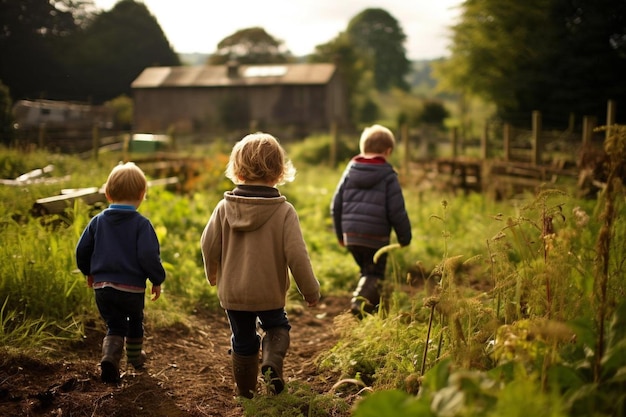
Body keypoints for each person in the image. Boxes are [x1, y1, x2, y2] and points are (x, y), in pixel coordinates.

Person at [201, 132, 320, 399]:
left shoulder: (223, 208)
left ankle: (246, 393)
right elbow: (297, 255)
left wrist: (213, 274)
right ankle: (272, 362)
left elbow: (208, 244)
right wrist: (310, 290)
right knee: (277, 328)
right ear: (278, 173)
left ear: (238, 171)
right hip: (269, 293)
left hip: (234, 293)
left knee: (243, 340)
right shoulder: (283, 211)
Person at [75, 162, 166, 383]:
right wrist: (157, 279)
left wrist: (89, 272)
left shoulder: (97, 221)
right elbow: (147, 255)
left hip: (103, 288)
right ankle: (135, 358)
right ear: (142, 194)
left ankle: (109, 356)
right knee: (135, 320)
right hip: (131, 289)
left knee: (114, 324)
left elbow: (82, 250)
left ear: (107, 193)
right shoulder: (142, 224)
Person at [331, 124, 412, 319]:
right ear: (388, 151)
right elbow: (396, 210)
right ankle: (359, 305)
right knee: (375, 274)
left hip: (351, 236)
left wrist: (340, 234)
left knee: (367, 271)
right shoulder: (388, 175)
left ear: (363, 148)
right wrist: (404, 237)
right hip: (376, 237)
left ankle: (371, 313)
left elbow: (336, 204)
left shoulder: (350, 171)